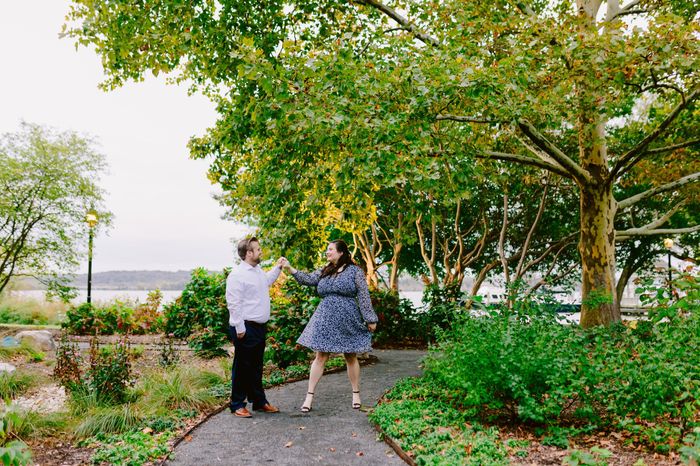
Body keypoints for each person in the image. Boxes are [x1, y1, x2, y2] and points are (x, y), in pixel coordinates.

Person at [281, 240, 378, 413]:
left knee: (350, 356)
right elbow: (308, 279)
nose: (327, 252)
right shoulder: (325, 270)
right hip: (324, 318)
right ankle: (309, 397)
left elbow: (363, 295)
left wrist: (370, 318)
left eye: (330, 250)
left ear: (341, 252)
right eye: (327, 250)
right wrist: (290, 269)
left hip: (347, 318)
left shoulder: (354, 271)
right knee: (320, 356)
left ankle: (356, 394)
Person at [226, 236, 284, 418]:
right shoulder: (237, 275)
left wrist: (278, 268)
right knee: (242, 367)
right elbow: (233, 303)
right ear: (249, 253)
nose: (260, 252)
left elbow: (266, 282)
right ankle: (237, 404)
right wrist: (240, 328)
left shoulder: (257, 271)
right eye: (258, 249)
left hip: (258, 327)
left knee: (256, 366)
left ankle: (259, 402)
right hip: (245, 327)